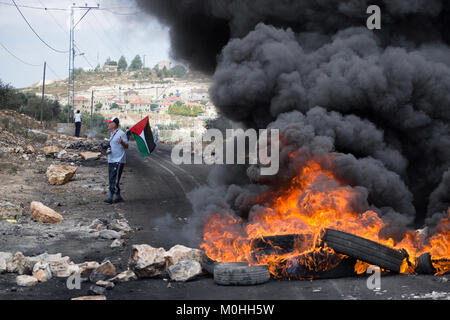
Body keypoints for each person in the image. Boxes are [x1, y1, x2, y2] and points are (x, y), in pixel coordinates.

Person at [104, 117, 129, 204]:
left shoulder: (121, 133)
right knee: (112, 178)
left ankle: (111, 196)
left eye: (109, 123)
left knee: (115, 179)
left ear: (114, 124)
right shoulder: (112, 134)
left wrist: (122, 142)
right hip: (111, 159)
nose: (108, 124)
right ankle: (118, 196)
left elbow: (127, 146)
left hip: (118, 159)